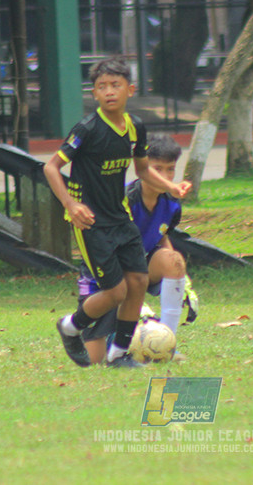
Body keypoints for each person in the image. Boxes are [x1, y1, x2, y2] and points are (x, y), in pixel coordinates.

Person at [44, 57, 191, 368]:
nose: (109, 91)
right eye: (102, 87)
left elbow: (142, 170)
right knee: (116, 292)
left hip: (120, 217)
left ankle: (120, 354)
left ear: (130, 89)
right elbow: (51, 167)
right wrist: (71, 205)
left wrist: (171, 187)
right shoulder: (88, 128)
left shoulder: (135, 127)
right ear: (94, 93)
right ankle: (69, 326)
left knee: (137, 281)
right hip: (91, 223)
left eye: (116, 85)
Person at [77, 135, 200, 365]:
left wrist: (182, 281)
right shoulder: (122, 201)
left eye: (170, 169)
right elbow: (104, 251)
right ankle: (122, 331)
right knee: (92, 360)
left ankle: (166, 344)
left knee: (173, 261)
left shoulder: (171, 204)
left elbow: (161, 235)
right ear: (142, 168)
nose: (164, 176)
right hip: (104, 277)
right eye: (157, 169)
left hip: (137, 270)